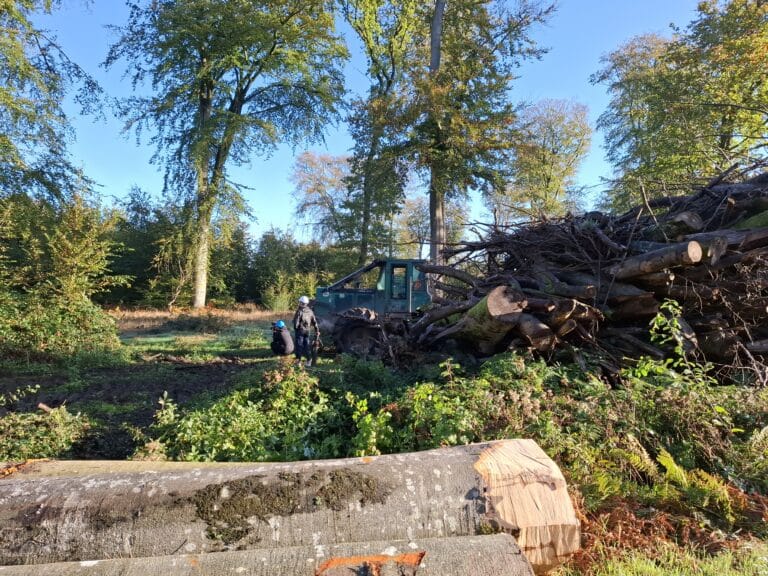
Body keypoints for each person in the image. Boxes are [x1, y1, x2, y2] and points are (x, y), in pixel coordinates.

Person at [293, 295, 319, 367]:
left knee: (299, 346)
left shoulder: (299, 311)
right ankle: (309, 361)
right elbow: (314, 322)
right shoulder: (310, 311)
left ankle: (298, 362)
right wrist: (317, 330)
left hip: (300, 331)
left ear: (301, 303)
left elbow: (296, 323)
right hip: (307, 331)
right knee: (306, 346)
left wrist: (296, 329)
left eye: (300, 302)